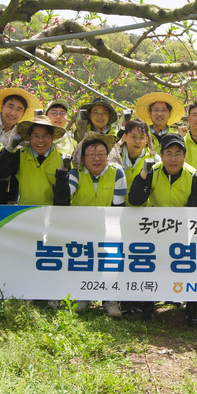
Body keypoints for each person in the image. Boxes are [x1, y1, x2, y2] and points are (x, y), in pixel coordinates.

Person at [128, 133, 197, 323]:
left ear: (184, 156)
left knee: (188, 267)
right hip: (154, 230)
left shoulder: (194, 177)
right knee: (151, 267)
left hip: (182, 231)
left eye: (178, 154)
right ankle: (147, 308)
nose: (173, 159)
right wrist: (143, 174)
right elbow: (135, 199)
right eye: (168, 154)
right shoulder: (152, 171)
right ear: (161, 156)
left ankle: (191, 310)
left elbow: (194, 210)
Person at [54, 133, 126, 315]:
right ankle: (81, 297)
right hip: (79, 229)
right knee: (82, 261)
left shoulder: (117, 173)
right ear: (83, 157)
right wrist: (62, 174)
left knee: (109, 262)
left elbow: (118, 206)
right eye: (91, 154)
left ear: (107, 156)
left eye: (101, 154)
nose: (96, 159)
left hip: (107, 228)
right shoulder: (75, 174)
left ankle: (110, 301)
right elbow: (63, 199)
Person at [0, 115, 65, 206]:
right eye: (36, 136)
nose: (40, 140)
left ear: (52, 137)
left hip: (52, 212)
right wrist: (9, 148)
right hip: (25, 212)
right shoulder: (19, 155)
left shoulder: (62, 159)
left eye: (45, 136)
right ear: (29, 137)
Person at [107, 119, 155, 204]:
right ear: (125, 137)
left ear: (146, 140)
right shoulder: (114, 157)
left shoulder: (154, 160)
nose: (137, 141)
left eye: (141, 137)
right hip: (116, 207)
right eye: (133, 137)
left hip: (142, 209)